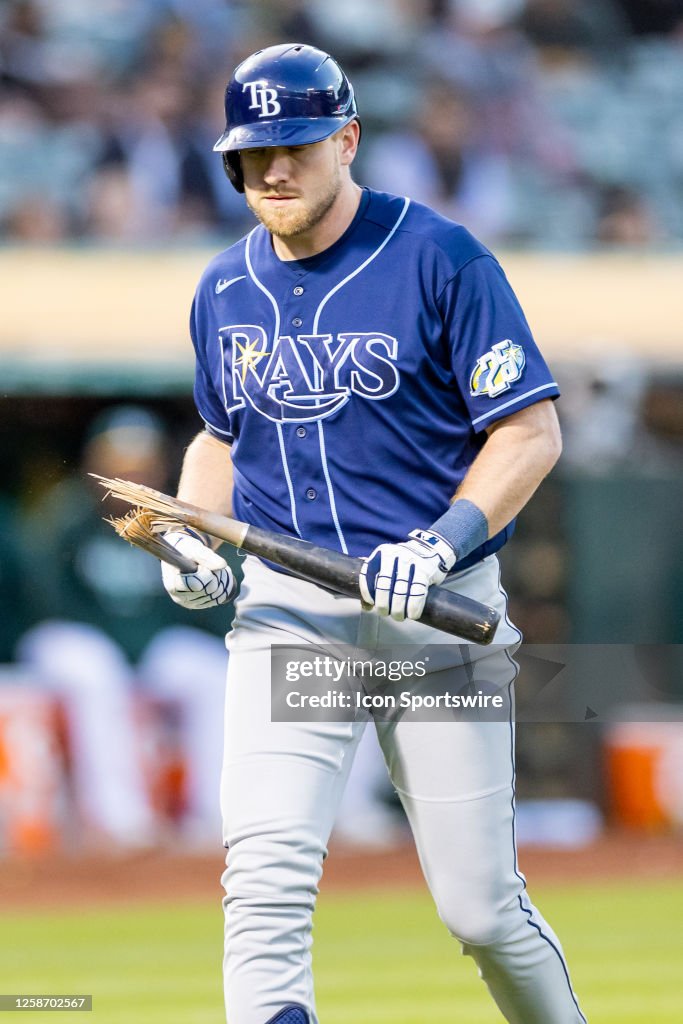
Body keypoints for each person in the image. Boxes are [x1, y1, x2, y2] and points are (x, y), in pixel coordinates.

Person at [160, 43, 588, 1024]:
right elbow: (219, 438)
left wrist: (439, 542)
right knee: (262, 878)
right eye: (250, 153)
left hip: (436, 615)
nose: (271, 170)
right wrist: (191, 536)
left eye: (295, 147)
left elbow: (528, 432)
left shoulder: (439, 255)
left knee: (478, 909)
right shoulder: (223, 287)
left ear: (345, 141)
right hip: (291, 610)